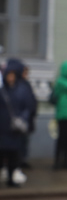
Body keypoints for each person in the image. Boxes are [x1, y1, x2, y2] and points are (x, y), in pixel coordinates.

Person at [1, 59, 32, 187]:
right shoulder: (2, 91)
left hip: (15, 128)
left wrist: (23, 119)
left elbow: (28, 107)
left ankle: (11, 178)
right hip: (2, 128)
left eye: (13, 75)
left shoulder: (22, 89)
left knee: (14, 155)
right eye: (9, 75)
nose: (11, 78)